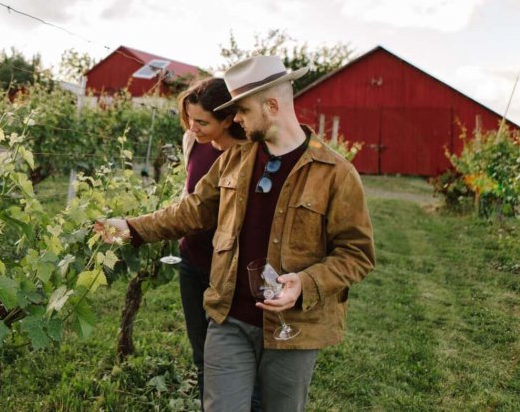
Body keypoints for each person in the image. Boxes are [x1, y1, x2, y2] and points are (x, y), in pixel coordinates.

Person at [96, 55, 375, 412]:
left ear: (271, 105)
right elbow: (193, 210)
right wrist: (132, 227)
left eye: (241, 110)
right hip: (229, 318)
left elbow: (357, 254)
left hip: (295, 328)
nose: (236, 120)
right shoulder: (236, 157)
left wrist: (305, 283)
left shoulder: (335, 173)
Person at [175, 78, 247, 409]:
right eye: (190, 118)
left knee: (230, 356)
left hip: (228, 270)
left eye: (202, 121)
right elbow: (189, 195)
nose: (193, 127)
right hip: (192, 261)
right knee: (201, 350)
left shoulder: (246, 156)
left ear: (228, 118)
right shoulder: (193, 142)